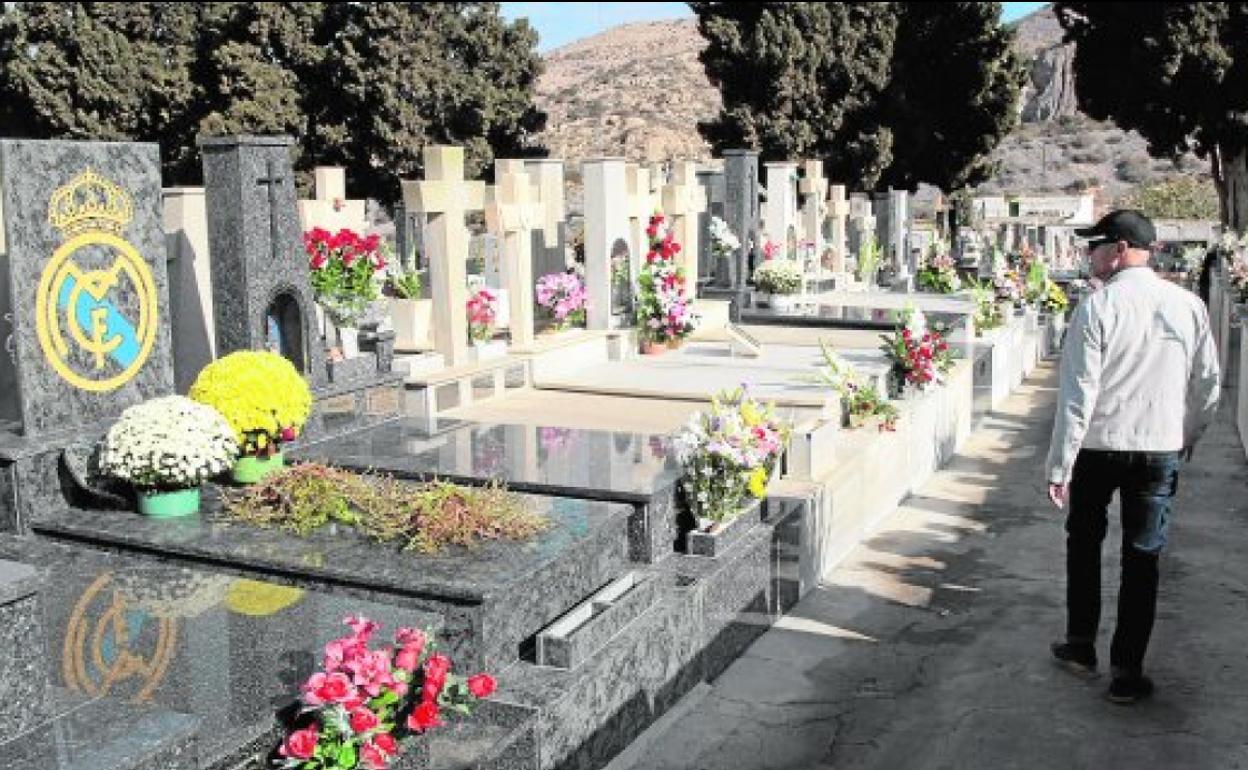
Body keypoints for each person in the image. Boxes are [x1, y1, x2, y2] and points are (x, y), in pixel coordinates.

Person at [1045, 209, 1221, 704]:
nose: (1088, 254)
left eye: (1095, 245)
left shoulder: (1097, 309)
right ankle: (1126, 670)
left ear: (1120, 249)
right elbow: (1207, 383)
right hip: (1158, 447)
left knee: (1084, 543)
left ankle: (1081, 644)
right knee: (1142, 558)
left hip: (1099, 447)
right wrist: (1187, 434)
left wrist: (1060, 465)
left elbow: (1078, 394)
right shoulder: (1186, 306)